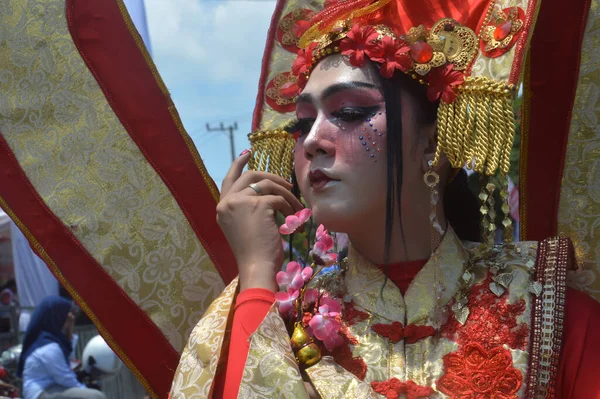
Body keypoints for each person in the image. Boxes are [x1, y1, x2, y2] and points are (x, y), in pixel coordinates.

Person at [169, 0, 600, 398]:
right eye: (300, 124)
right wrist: (258, 269)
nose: (314, 139)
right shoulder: (274, 316)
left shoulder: (548, 313)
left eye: (350, 112)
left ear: (433, 145)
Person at [18, 296, 105, 399]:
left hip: (51, 388)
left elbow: (68, 361)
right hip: (41, 393)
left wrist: (69, 332)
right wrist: (86, 390)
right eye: (66, 314)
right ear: (57, 316)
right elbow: (66, 378)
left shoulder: (47, 341)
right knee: (96, 396)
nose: (71, 317)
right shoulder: (48, 347)